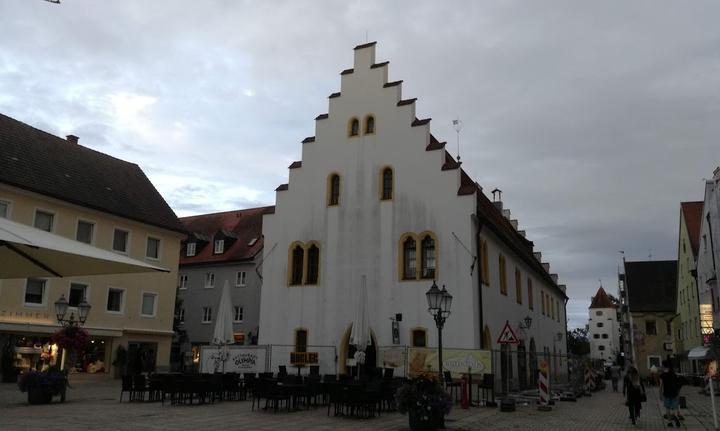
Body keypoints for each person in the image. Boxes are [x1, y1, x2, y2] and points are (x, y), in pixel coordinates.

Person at [659, 361, 682, 427]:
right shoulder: (673, 374)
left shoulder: (662, 375)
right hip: (674, 393)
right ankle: (675, 416)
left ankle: (670, 422)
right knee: (674, 407)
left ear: (663, 366)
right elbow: (677, 384)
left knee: (667, 408)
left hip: (666, 394)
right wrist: (678, 393)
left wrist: (660, 394)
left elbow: (660, 386)